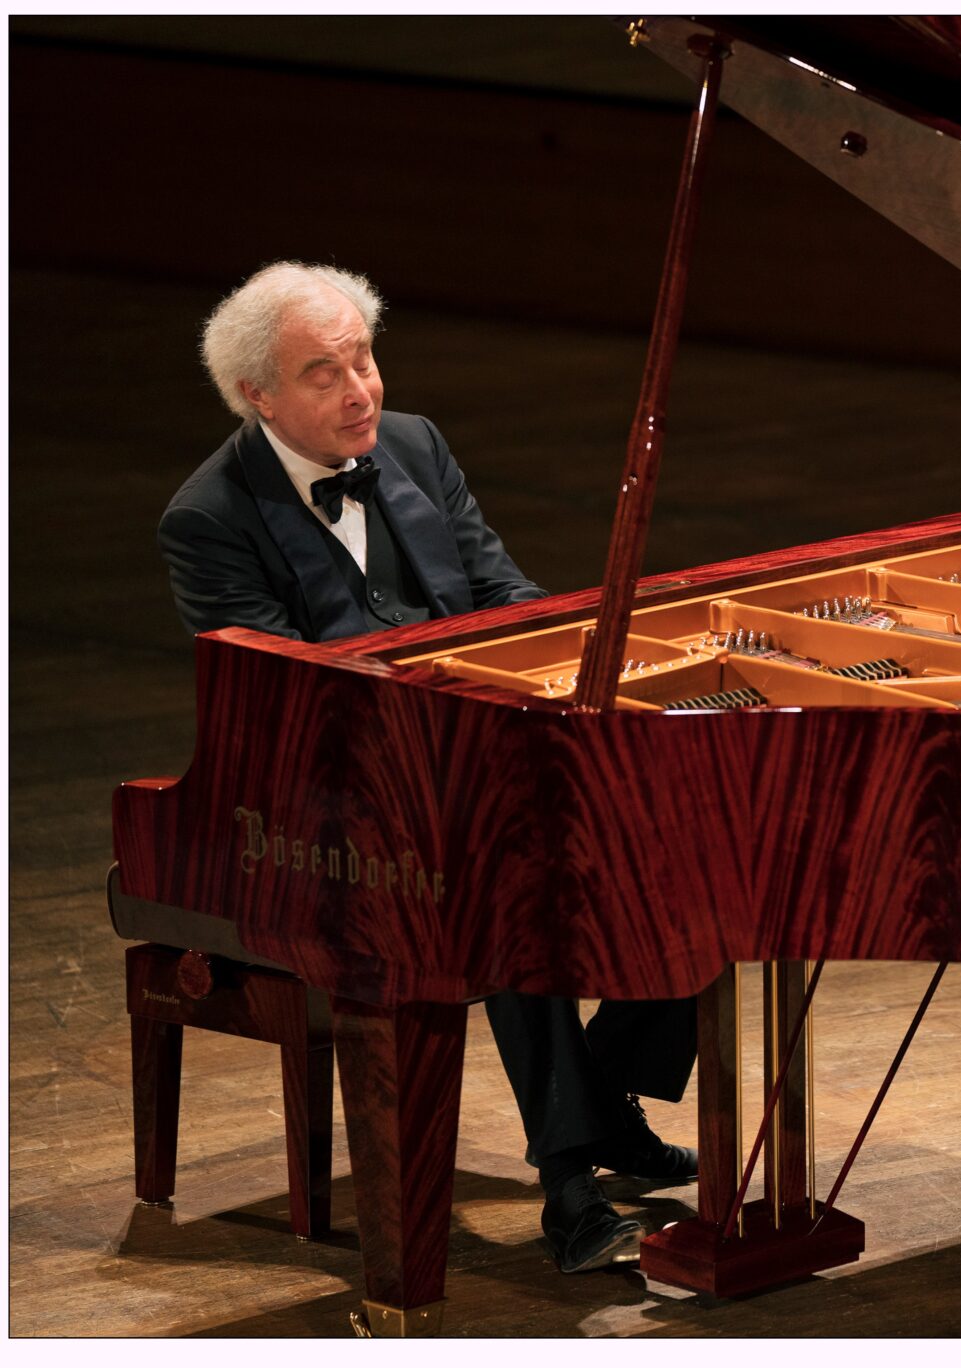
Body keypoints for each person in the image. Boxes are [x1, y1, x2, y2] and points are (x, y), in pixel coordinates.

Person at [158, 260, 697, 1274]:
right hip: (323, 805)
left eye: (364, 357)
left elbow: (499, 586)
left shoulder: (414, 445)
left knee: (687, 830)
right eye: (324, 373)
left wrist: (579, 660)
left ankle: (611, 1096)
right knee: (498, 877)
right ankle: (572, 1187)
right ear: (256, 397)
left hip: (469, 748)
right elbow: (285, 700)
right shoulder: (208, 516)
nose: (361, 388)